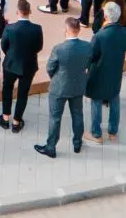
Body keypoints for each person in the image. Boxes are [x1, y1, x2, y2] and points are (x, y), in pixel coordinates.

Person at [34, 17, 90, 158]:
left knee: (55, 118)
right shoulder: (87, 46)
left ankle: (51, 147)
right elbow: (89, 62)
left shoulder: (59, 49)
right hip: (77, 86)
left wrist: (56, 78)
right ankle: (77, 143)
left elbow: (50, 68)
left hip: (59, 87)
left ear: (66, 30)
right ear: (79, 30)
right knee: (77, 114)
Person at [83, 1, 126, 143]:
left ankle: (96, 133)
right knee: (114, 99)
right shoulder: (124, 32)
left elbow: (90, 56)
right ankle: (112, 132)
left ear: (105, 15)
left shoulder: (99, 36)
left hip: (99, 73)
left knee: (96, 101)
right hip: (115, 72)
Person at [0, 0, 42, 132]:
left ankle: (5, 118)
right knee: (23, 93)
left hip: (11, 64)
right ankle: (16, 122)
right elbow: (39, 47)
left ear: (17, 12)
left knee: (7, 89)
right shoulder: (37, 29)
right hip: (29, 65)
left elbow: (4, 45)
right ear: (30, 11)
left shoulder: (10, 28)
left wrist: (10, 55)